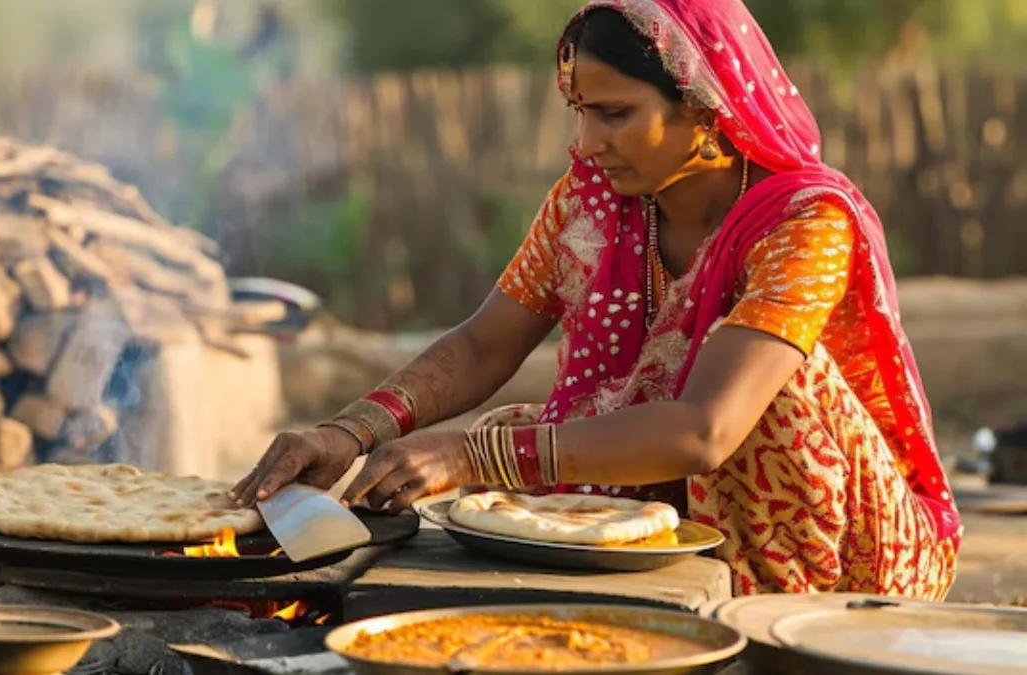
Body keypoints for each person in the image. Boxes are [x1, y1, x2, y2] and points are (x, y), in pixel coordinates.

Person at [231, 0, 961, 599]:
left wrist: (475, 454)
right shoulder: (591, 205)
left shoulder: (806, 223)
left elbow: (708, 430)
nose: (585, 143)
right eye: (579, 111)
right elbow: (486, 344)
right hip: (673, 512)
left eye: (613, 114)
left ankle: (763, 628)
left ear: (707, 111)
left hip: (861, 560)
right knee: (531, 423)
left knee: (770, 398)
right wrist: (348, 432)